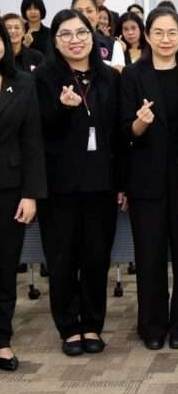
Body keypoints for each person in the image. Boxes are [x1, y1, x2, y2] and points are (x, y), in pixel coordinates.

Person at [34, 8, 124, 357]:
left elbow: (118, 135)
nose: (75, 40)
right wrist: (61, 108)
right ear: (55, 41)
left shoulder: (110, 78)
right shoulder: (43, 78)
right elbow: (38, 132)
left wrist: (122, 182)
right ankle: (69, 327)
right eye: (66, 35)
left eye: (82, 33)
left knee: (96, 258)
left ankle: (92, 323)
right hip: (59, 186)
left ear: (93, 36)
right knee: (62, 259)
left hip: (101, 183)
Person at [120, 6, 178, 351]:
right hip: (146, 177)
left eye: (172, 32)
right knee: (150, 254)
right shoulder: (132, 75)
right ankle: (152, 325)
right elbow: (123, 131)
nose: (165, 39)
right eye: (158, 32)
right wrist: (139, 124)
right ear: (146, 35)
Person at [0, 18, 47, 371]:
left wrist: (31, 193)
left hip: (10, 187)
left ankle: (1, 339)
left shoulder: (22, 82)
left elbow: (32, 141)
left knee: (4, 267)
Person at [71, 0, 126, 71]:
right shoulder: (63, 43)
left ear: (97, 15)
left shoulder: (114, 45)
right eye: (79, 11)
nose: (84, 15)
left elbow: (118, 74)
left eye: (89, 11)